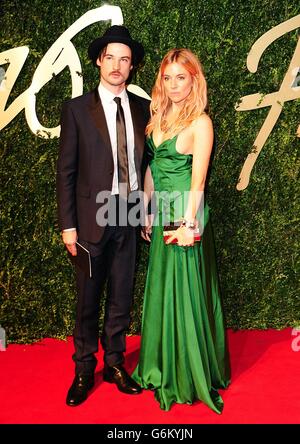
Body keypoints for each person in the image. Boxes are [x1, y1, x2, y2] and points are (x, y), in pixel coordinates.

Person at [132, 48, 231, 413]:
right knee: (163, 289)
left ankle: (188, 374)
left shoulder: (201, 122)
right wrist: (145, 210)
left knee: (185, 294)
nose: (174, 85)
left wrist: (190, 225)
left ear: (194, 80)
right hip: (162, 217)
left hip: (185, 215)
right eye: (168, 77)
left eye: (181, 77)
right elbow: (152, 167)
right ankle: (161, 367)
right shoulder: (160, 114)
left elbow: (198, 178)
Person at [56, 25, 150, 406]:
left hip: (128, 211)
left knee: (122, 295)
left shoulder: (145, 109)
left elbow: (148, 165)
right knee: (88, 298)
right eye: (110, 57)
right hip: (90, 219)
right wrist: (68, 225)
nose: (116, 65)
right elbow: (66, 172)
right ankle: (83, 368)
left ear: (131, 67)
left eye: (124, 59)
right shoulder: (77, 109)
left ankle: (114, 363)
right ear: (98, 60)